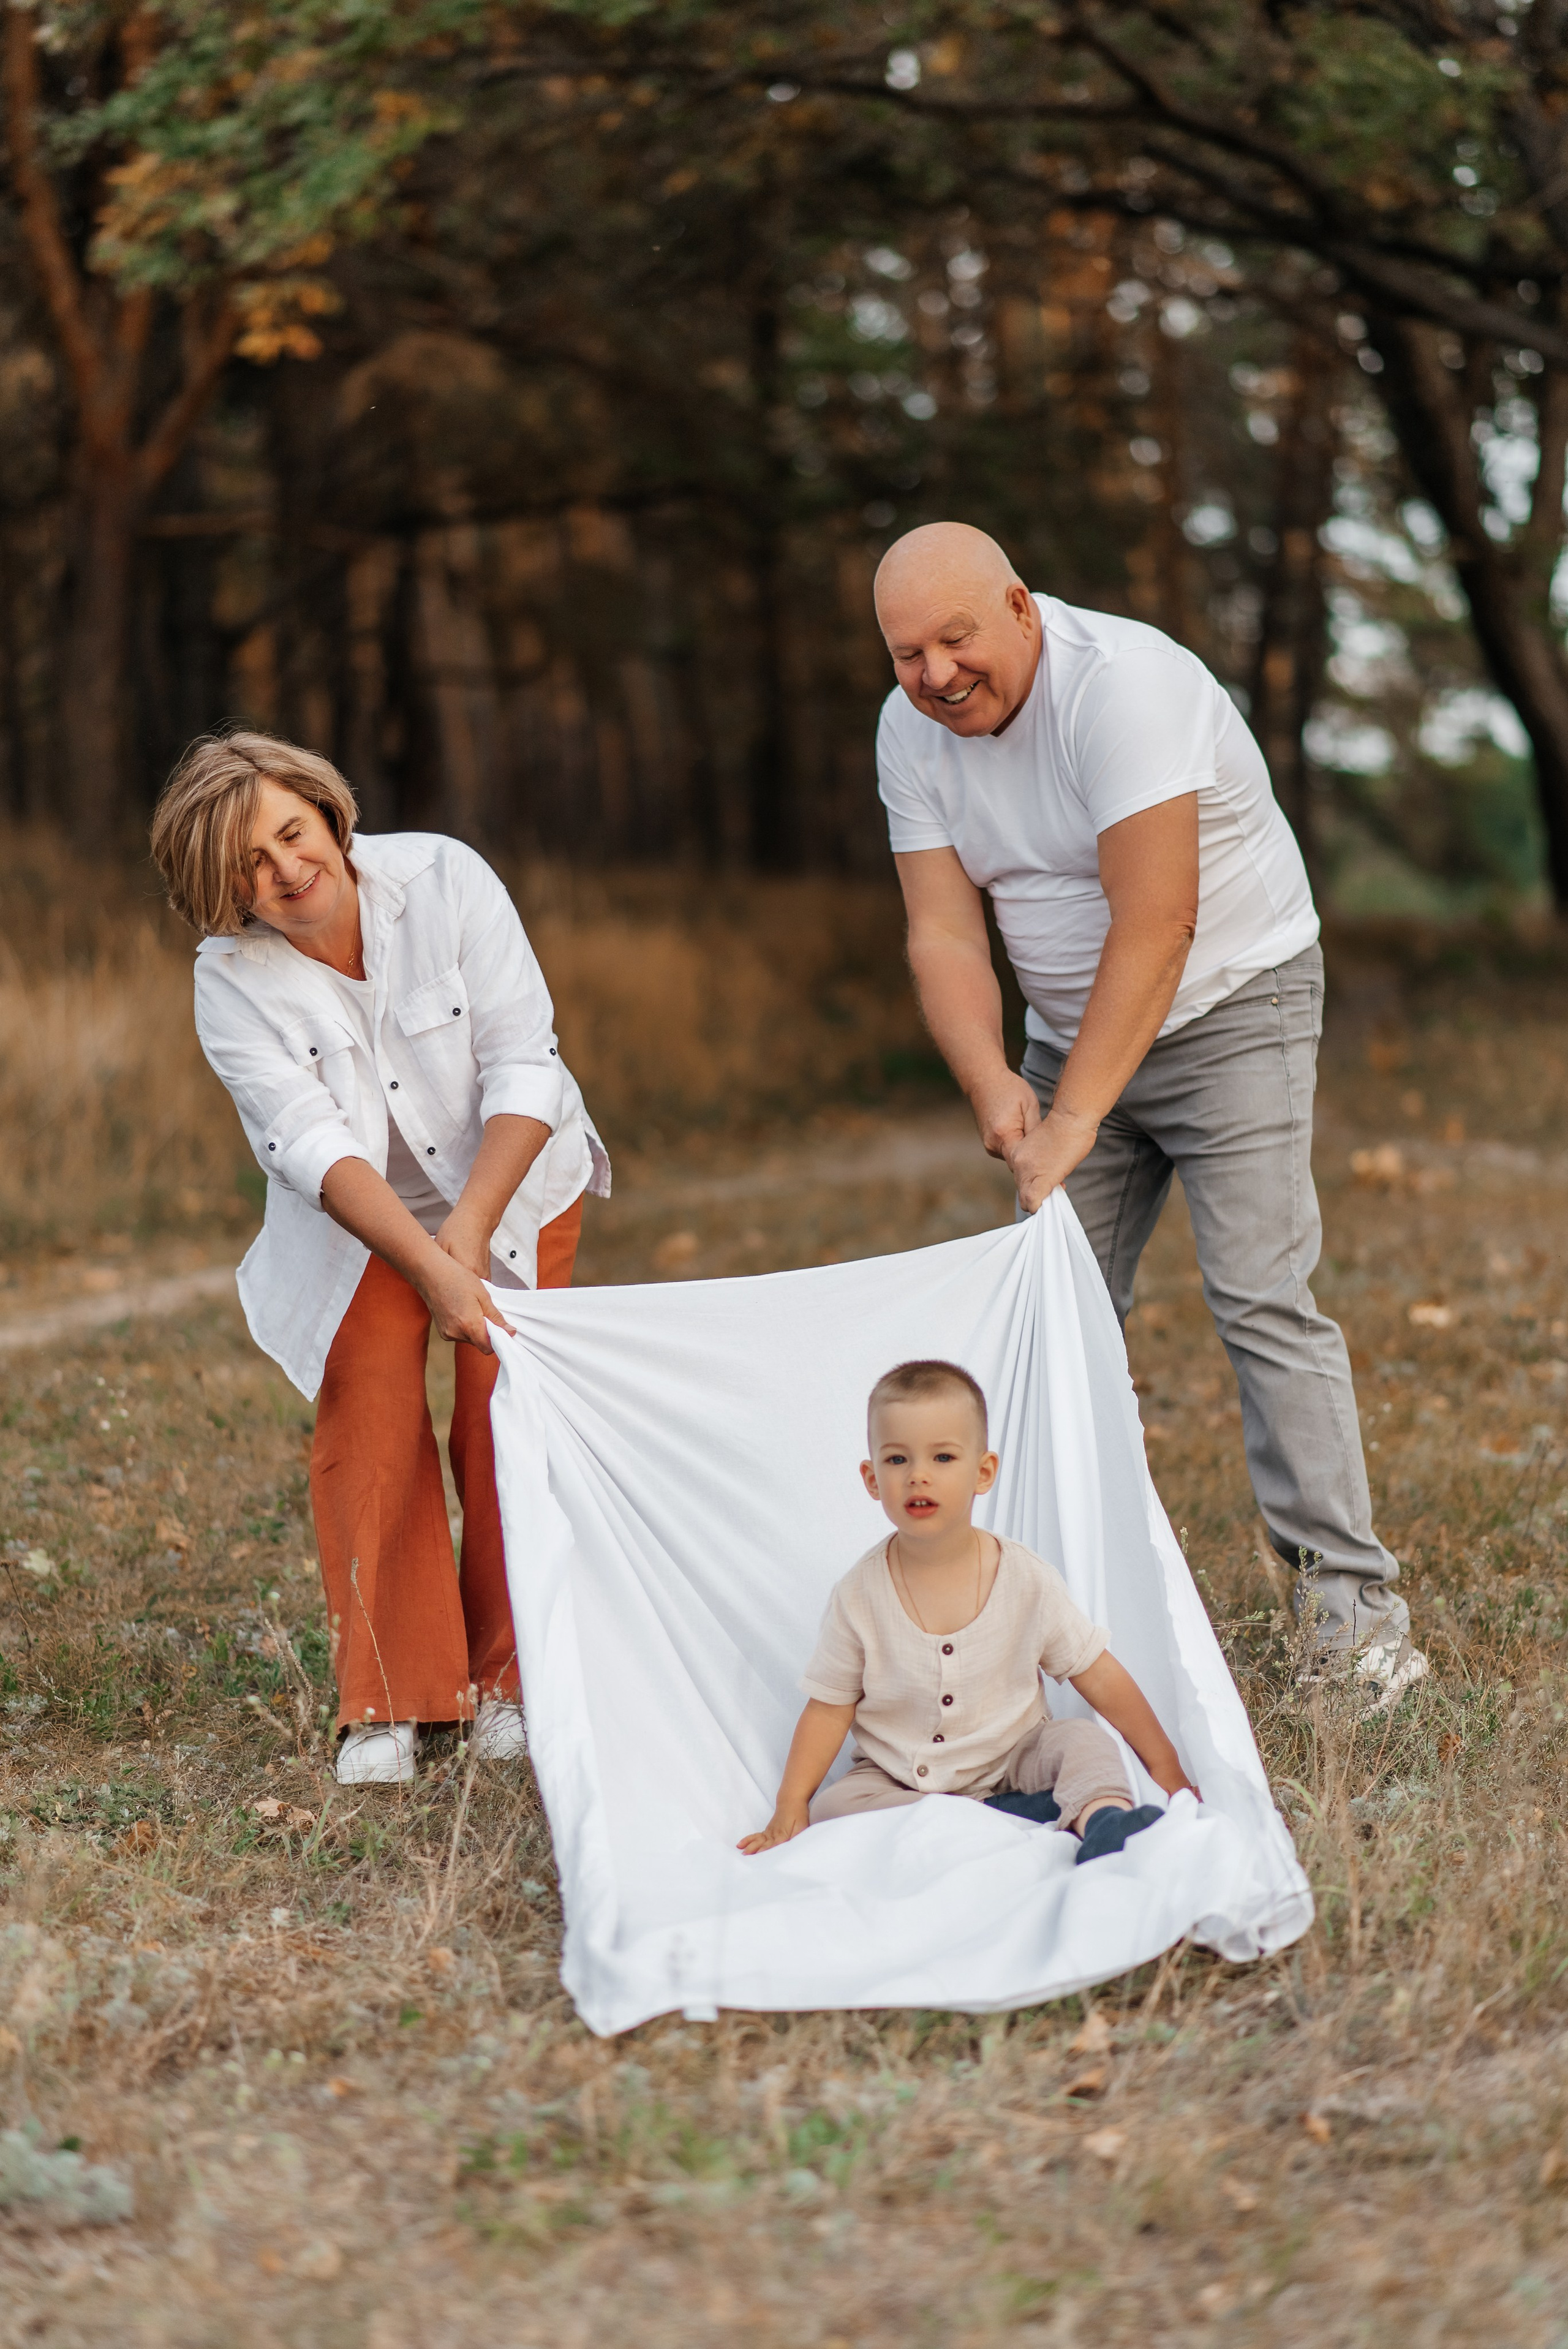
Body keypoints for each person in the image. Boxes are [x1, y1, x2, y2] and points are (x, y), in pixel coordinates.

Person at [872, 522, 1427, 1711]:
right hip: (1065, 1035)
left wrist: (1074, 1115)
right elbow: (941, 929)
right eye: (906, 652)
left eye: (953, 640)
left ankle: (1352, 1614)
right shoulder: (906, 730)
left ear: (1018, 608)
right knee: (1044, 1307)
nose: (932, 675)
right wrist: (996, 1084)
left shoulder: (1123, 687)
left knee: (1257, 1293)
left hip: (1233, 1000)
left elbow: (1156, 920)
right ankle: (1023, 1599)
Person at [150, 730, 609, 1786]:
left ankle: (510, 1679)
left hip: (512, 1177)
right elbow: (308, 1140)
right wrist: (428, 1264)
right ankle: (392, 1702)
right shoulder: (228, 982)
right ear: (222, 892)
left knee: (507, 1407)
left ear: (325, 810)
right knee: (370, 1416)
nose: (284, 873)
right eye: (247, 869)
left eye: (292, 835)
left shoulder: (447, 878)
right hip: (355, 1219)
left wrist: (470, 1239)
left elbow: (526, 1064)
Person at [739, 1360, 1185, 1861]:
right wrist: (791, 1802)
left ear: (983, 1471)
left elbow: (1098, 1674)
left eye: (944, 1457)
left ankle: (1104, 1820)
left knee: (1083, 1742)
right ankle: (1002, 1818)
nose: (918, 1476)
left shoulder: (1026, 1579)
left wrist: (1165, 1764)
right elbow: (829, 1707)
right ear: (871, 1477)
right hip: (900, 1775)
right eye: (897, 1460)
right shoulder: (858, 1595)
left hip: (1015, 1757)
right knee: (835, 1806)